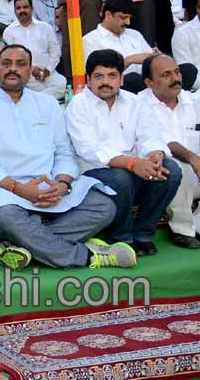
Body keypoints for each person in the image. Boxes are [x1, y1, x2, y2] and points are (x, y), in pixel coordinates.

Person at [0, 45, 131, 270]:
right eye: (7, 63)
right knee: (6, 217)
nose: (13, 69)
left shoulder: (47, 104)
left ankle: (19, 246)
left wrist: (61, 184)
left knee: (104, 206)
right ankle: (86, 256)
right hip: (3, 189)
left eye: (20, 64)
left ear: (30, 70)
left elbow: (64, 152)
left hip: (48, 183)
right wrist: (19, 189)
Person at [66, 50, 180, 256]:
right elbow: (90, 149)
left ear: (122, 78)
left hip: (135, 168)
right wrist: (132, 163)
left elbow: (149, 134)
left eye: (112, 76)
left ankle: (143, 234)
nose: (105, 82)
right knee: (120, 177)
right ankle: (121, 237)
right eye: (98, 77)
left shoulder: (135, 102)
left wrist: (154, 153)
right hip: (96, 171)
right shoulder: (78, 105)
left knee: (171, 170)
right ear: (88, 79)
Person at [138, 55, 200, 248]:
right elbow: (163, 142)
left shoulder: (197, 101)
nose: (176, 78)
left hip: (199, 171)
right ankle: (181, 229)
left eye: (177, 72)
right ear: (149, 82)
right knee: (175, 167)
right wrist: (196, 161)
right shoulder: (138, 104)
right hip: (158, 174)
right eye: (166, 74)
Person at [83, 0, 197, 93]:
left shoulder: (134, 34)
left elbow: (150, 58)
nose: (127, 22)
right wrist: (130, 60)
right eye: (123, 18)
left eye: (129, 18)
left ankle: (168, 96)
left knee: (188, 70)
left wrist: (159, 57)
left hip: (150, 80)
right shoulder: (91, 40)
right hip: (122, 85)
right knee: (133, 79)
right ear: (108, 15)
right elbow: (98, 74)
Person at [2, 0, 65, 98]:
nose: (22, 10)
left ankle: (38, 98)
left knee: (63, 84)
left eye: (25, 7)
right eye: (18, 8)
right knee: (26, 87)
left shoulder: (45, 27)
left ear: (32, 9)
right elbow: (13, 59)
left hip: (48, 72)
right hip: (25, 75)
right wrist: (32, 70)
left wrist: (48, 70)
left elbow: (55, 52)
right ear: (14, 11)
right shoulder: (9, 31)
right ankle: (46, 99)